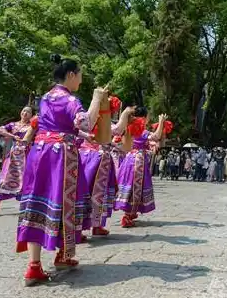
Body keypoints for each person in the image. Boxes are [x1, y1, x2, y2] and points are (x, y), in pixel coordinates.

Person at [16, 54, 107, 286]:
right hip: (61, 156)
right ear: (70, 75)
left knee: (37, 202)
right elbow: (84, 121)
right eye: (80, 76)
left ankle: (33, 266)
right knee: (66, 201)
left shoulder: (46, 96)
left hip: (40, 152)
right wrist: (97, 100)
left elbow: (61, 125)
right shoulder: (70, 100)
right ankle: (63, 255)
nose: (81, 81)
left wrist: (82, 134)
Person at [79, 106, 134, 239]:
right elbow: (117, 130)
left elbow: (116, 137)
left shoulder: (101, 122)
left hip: (98, 160)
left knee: (99, 194)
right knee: (86, 193)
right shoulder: (89, 120)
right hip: (91, 159)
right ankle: (79, 229)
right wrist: (125, 114)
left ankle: (96, 225)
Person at [114, 107, 167, 228]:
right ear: (143, 117)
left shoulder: (130, 126)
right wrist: (161, 122)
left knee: (131, 185)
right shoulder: (140, 129)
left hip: (129, 158)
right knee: (135, 186)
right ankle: (127, 215)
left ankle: (131, 212)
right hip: (137, 161)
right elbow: (156, 136)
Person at [0, 106, 33, 215]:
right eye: (24, 111)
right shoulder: (13, 125)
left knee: (25, 180)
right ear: (20, 112)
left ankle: (27, 207)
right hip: (12, 156)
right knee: (3, 178)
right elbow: (0, 130)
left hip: (27, 156)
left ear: (31, 115)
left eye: (28, 112)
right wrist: (12, 136)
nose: (25, 113)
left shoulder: (32, 126)